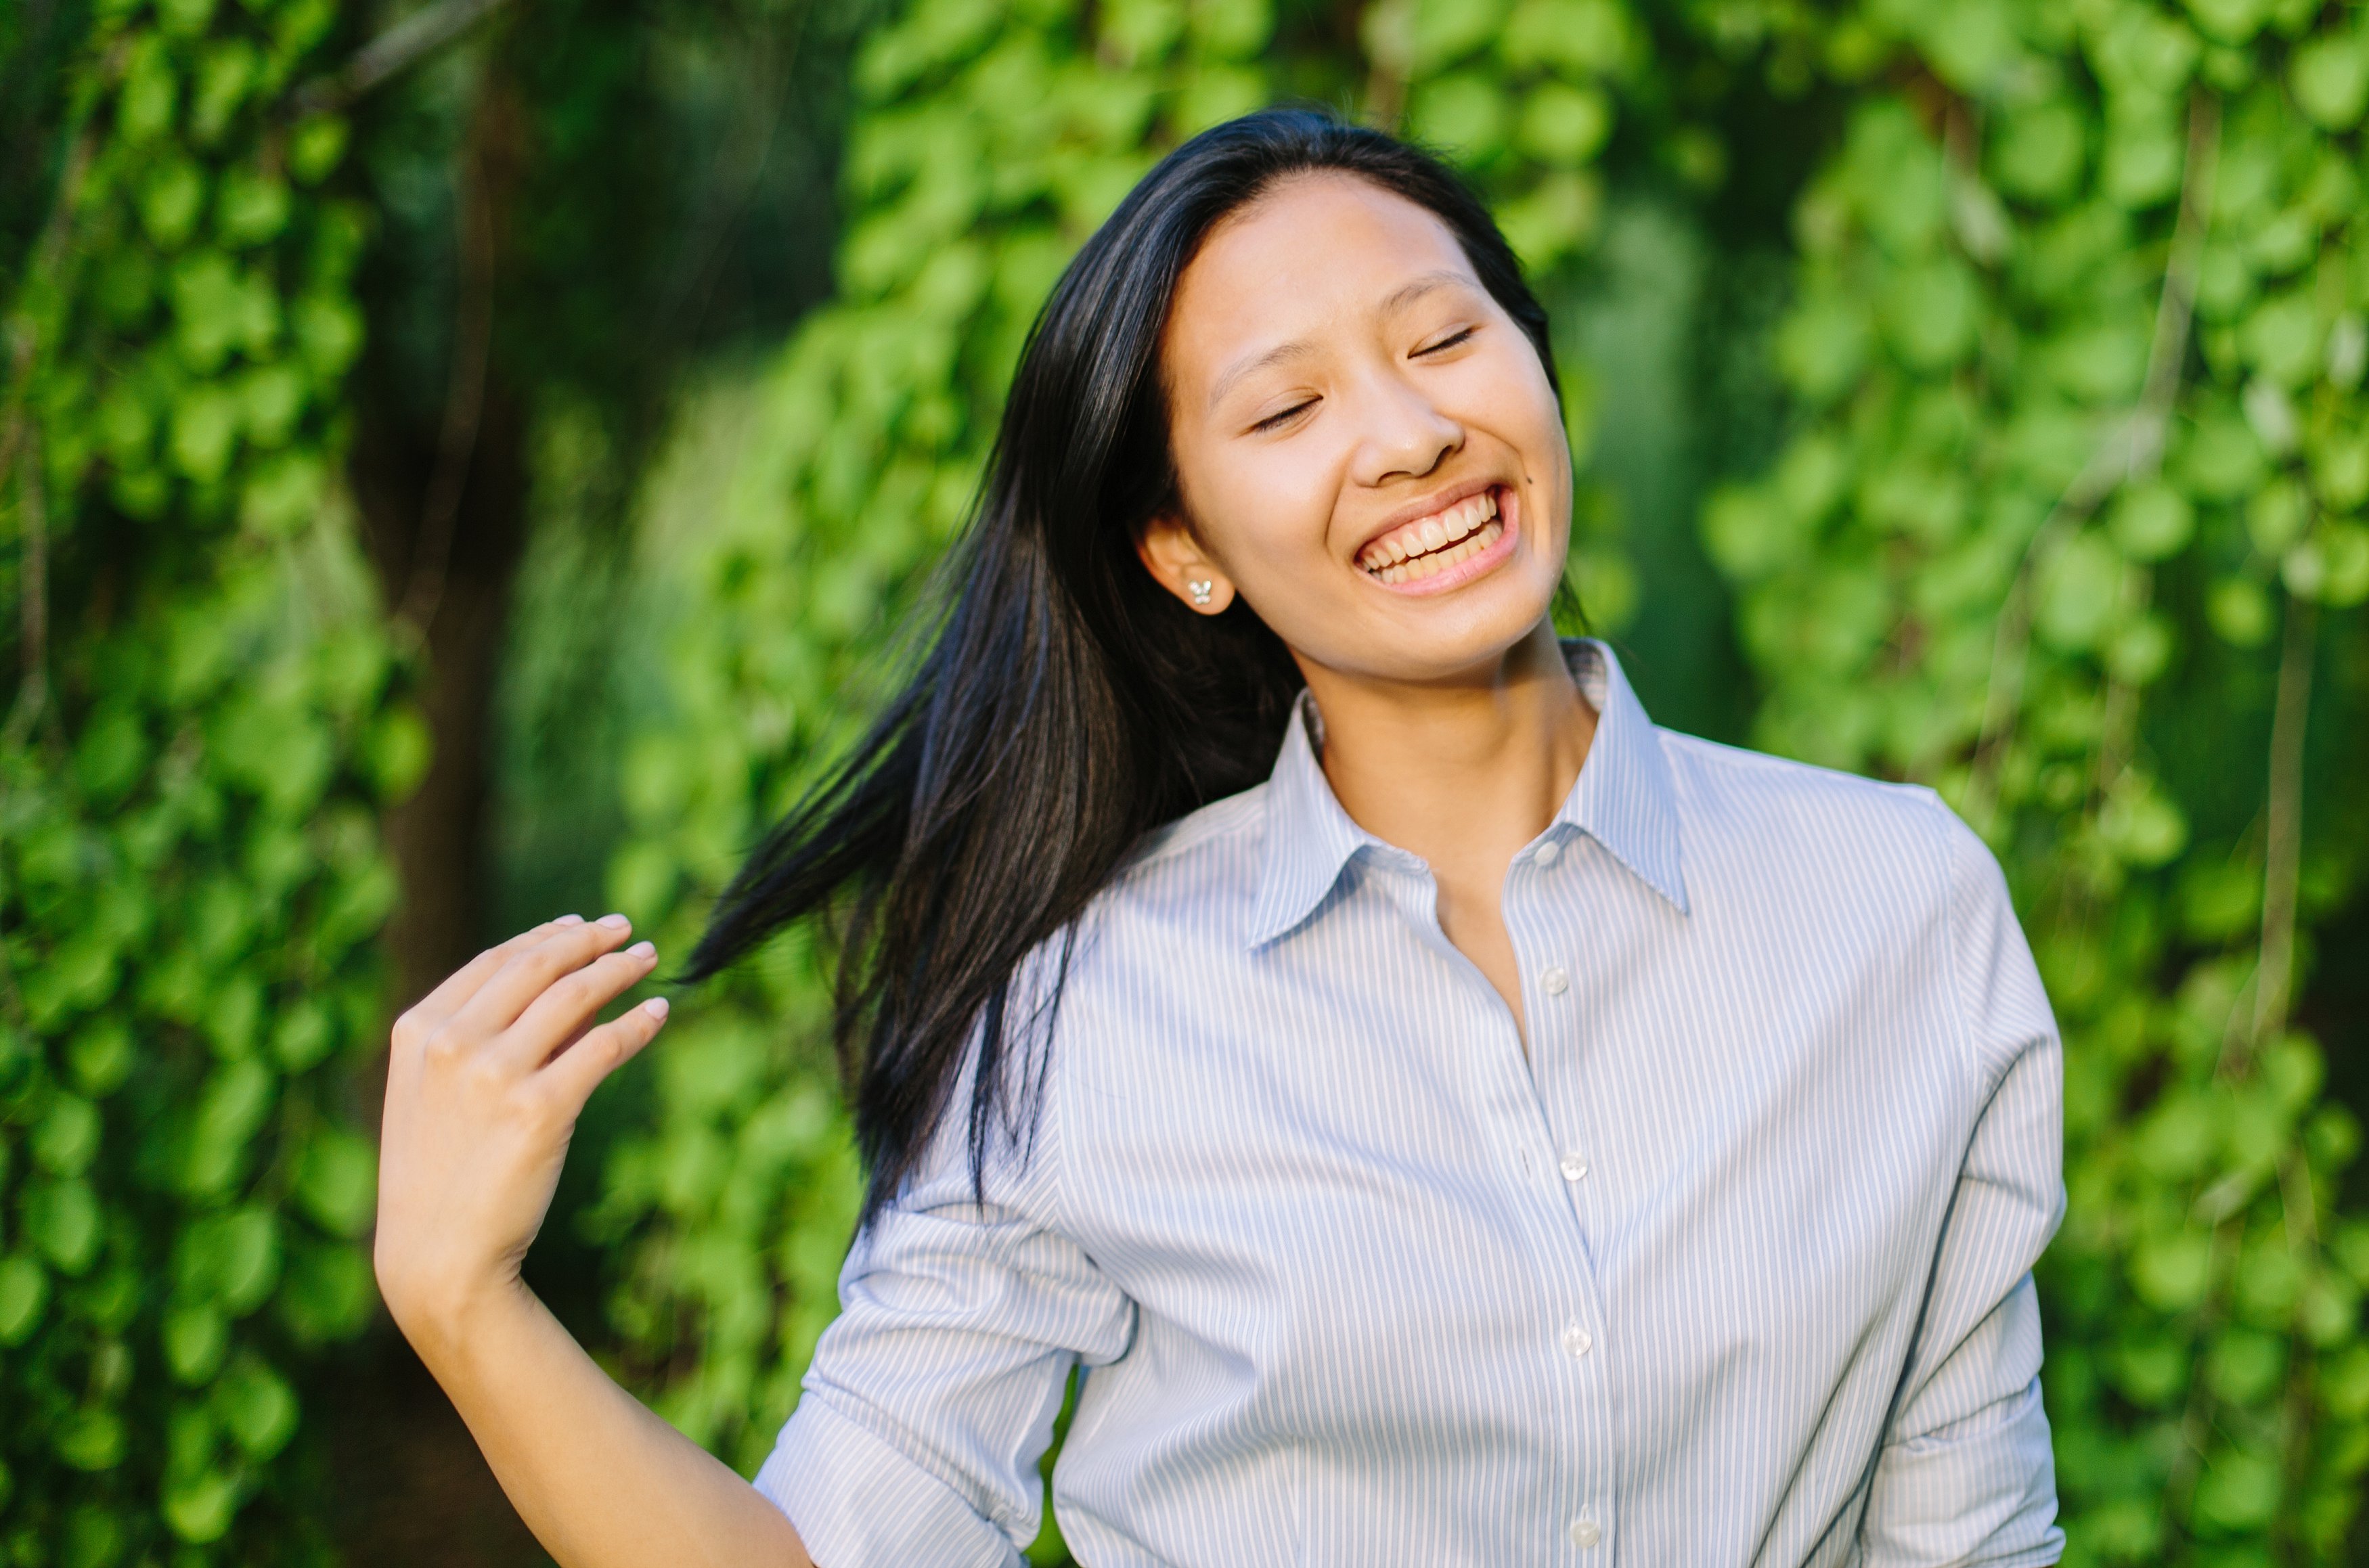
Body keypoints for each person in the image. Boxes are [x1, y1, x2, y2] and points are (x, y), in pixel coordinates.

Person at [373, 109, 2066, 1567]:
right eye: (1284, 412)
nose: (1409, 436)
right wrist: (468, 1307)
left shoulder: (1895, 906)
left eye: (1442, 340)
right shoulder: (1082, 1011)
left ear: (1536, 362)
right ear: (1185, 547)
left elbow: (1966, 1535)